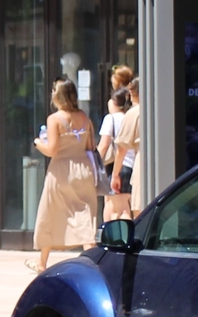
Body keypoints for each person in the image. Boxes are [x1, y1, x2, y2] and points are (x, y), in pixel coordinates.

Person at [30, 77, 99, 270]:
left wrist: (38, 143)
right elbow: (91, 146)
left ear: (58, 96)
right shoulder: (84, 117)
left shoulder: (54, 119)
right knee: (84, 213)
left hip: (61, 170)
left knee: (50, 211)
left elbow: (52, 149)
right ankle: (92, 258)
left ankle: (42, 262)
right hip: (83, 169)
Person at [99, 86, 138, 222]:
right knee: (117, 206)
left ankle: (122, 240)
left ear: (114, 102)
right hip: (133, 166)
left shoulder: (111, 119)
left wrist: (93, 161)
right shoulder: (132, 116)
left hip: (118, 167)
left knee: (121, 209)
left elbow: (104, 145)